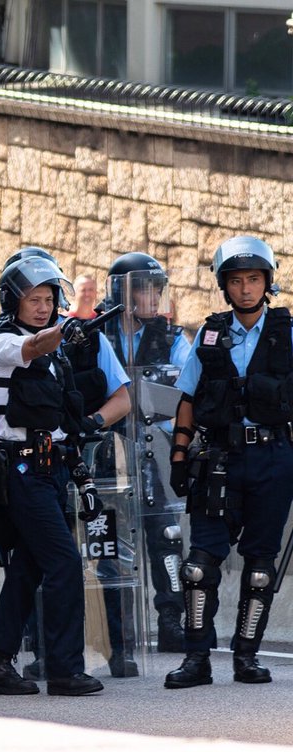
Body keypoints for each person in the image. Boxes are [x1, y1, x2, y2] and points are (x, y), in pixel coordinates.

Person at [0, 255, 129, 696]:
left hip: (51, 467)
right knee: (63, 563)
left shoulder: (57, 352)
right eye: (33, 299)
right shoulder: (2, 344)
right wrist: (66, 328)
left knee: (29, 566)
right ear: (13, 302)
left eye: (49, 299)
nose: (43, 307)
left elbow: (63, 409)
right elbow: (33, 347)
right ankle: (64, 669)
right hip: (21, 469)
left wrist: (82, 429)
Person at [165, 236, 293, 688]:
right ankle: (196, 660)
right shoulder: (210, 332)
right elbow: (188, 397)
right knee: (199, 564)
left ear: (267, 282)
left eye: (254, 279)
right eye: (236, 281)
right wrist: (179, 455)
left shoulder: (286, 333)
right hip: (218, 459)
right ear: (224, 285)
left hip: (274, 459)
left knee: (260, 566)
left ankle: (247, 658)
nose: (245, 289)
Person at [103, 253, 192, 656]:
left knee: (167, 535)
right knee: (107, 538)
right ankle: (114, 628)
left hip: (155, 448)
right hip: (108, 452)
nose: (153, 297)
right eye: (144, 289)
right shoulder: (97, 336)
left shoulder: (173, 339)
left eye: (157, 289)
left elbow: (186, 394)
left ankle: (172, 618)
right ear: (121, 292)